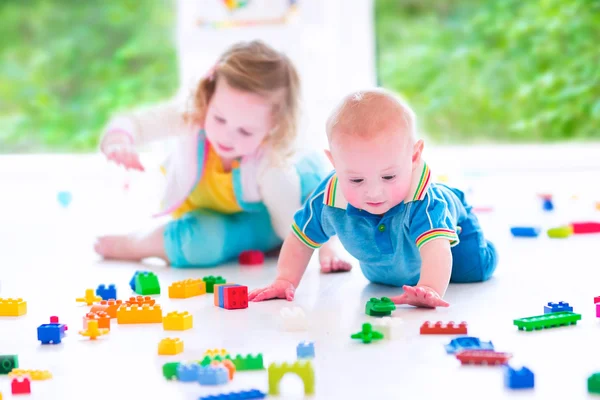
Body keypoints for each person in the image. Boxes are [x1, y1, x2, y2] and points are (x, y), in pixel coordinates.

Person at [94, 40, 352, 273]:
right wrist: (119, 140)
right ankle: (136, 242)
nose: (227, 137)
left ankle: (264, 241)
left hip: (274, 215)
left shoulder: (273, 165)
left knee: (314, 179)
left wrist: (324, 246)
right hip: (217, 215)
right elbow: (136, 123)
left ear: (274, 127)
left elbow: (290, 224)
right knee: (196, 240)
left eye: (245, 130)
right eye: (219, 118)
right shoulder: (192, 116)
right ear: (208, 96)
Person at [249, 88, 498, 307]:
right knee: (385, 277)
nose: (373, 192)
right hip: (394, 264)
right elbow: (300, 238)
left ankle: (483, 251)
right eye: (356, 180)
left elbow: (436, 249)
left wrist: (429, 288)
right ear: (334, 162)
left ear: (413, 158)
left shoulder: (424, 200)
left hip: (455, 237)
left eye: (388, 177)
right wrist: (284, 279)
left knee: (473, 269)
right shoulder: (328, 199)